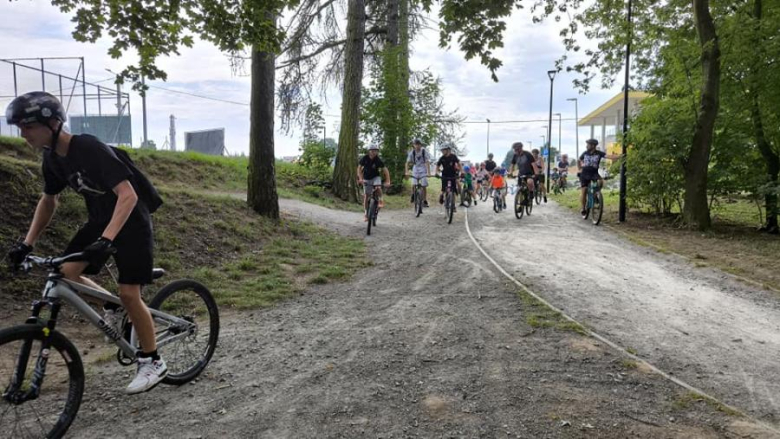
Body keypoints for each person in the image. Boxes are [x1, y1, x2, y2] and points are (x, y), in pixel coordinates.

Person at [5, 91, 167, 394]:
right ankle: (113, 308)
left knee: (129, 293)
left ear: (52, 123)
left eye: (27, 126)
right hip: (100, 220)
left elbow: (128, 195)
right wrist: (27, 244)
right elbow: (49, 201)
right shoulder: (51, 159)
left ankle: (152, 360)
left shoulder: (88, 147)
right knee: (66, 273)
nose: (23, 134)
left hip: (130, 220)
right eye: (19, 128)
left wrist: (107, 239)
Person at [578, 139, 623, 217]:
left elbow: (609, 156)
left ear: (593, 146)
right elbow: (579, 160)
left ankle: (596, 194)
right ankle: (583, 208)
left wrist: (619, 156)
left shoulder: (599, 153)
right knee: (584, 190)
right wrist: (579, 168)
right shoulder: (585, 153)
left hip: (594, 173)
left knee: (600, 182)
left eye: (588, 144)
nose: (586, 146)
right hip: (585, 173)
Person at [358, 144, 391, 221]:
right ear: (369, 151)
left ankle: (380, 200)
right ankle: (366, 214)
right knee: (366, 196)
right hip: (366, 178)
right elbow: (359, 168)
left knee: (378, 187)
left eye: (375, 151)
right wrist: (360, 178)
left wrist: (388, 180)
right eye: (372, 151)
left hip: (376, 177)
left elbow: (385, 170)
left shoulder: (378, 160)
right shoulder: (365, 158)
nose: (373, 152)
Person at [508, 142, 538, 206]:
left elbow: (534, 165)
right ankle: (520, 206)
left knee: (529, 182)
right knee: (519, 189)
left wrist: (536, 174)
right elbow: (512, 165)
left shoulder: (528, 154)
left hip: (529, 173)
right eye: (515, 150)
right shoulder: (515, 155)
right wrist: (510, 173)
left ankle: (531, 193)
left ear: (521, 148)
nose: (516, 151)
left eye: (517, 149)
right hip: (521, 173)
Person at [404, 138, 430, 208]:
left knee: (424, 185)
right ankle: (413, 194)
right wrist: (406, 172)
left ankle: (424, 200)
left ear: (421, 145)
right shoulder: (412, 152)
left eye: (419, 144)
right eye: (416, 144)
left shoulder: (424, 151)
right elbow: (407, 163)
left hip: (423, 167)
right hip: (415, 168)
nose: (417, 146)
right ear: (413, 145)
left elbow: (427, 162)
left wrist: (428, 172)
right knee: (413, 183)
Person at [435, 142, 461, 212]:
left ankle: (453, 205)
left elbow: (459, 163)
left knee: (453, 190)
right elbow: (437, 166)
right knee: (443, 189)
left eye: (444, 150)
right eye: (442, 150)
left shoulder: (453, 156)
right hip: (445, 175)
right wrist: (436, 172)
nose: (442, 151)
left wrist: (462, 172)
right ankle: (442, 196)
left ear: (448, 150)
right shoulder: (442, 158)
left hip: (452, 174)